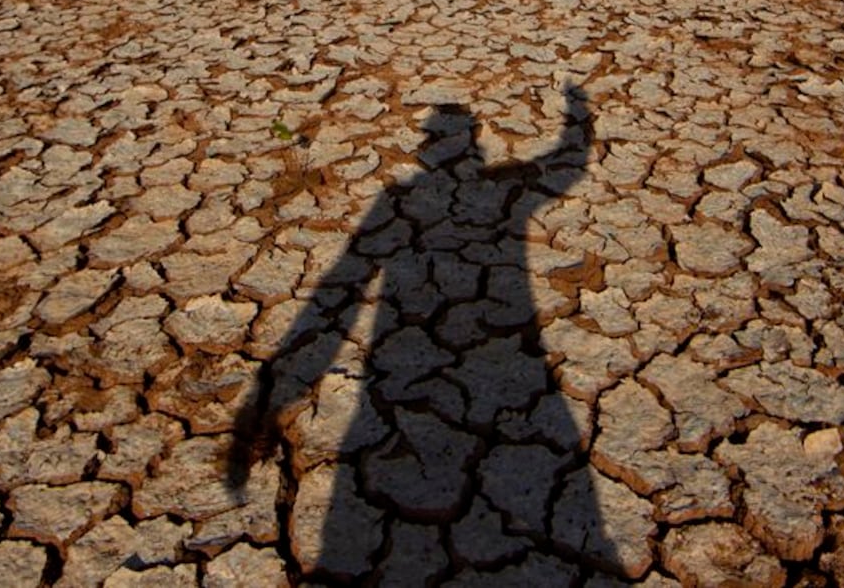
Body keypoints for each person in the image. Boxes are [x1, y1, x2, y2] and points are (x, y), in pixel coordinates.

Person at [227, 82, 626, 583]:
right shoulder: (462, 191)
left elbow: (341, 289)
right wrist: (578, 120)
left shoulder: (404, 195)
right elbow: (564, 169)